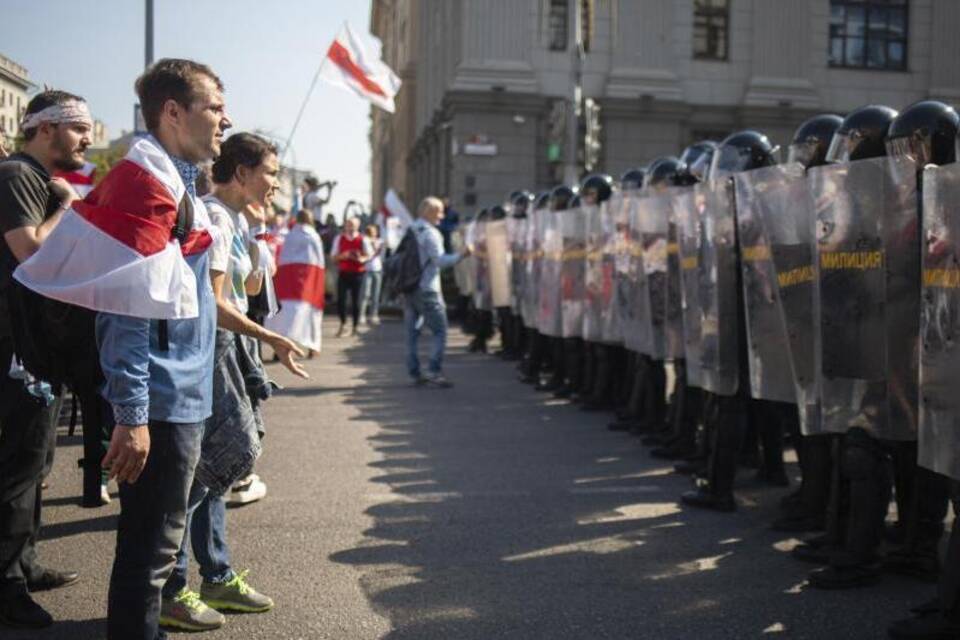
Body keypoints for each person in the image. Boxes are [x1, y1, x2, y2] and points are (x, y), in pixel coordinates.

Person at [159, 131, 307, 632]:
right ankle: (172, 588)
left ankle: (216, 575)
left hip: (227, 348)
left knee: (214, 474)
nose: (275, 184)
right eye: (269, 173)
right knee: (205, 474)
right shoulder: (215, 218)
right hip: (213, 351)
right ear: (240, 173)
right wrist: (273, 337)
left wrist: (259, 235)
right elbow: (217, 307)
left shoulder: (233, 220)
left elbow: (248, 288)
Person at [0, 89, 88, 629]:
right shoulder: (16, 176)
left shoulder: (34, 180)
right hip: (15, 348)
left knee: (36, 463)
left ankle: (25, 563)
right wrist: (68, 212)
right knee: (16, 469)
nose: (86, 139)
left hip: (38, 347)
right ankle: (7, 585)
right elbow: (31, 253)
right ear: (46, 128)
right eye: (77, 128)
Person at [405, 196, 470, 387]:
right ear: (430, 212)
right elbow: (440, 261)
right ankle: (433, 371)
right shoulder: (431, 233)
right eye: (440, 211)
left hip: (410, 287)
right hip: (427, 289)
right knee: (440, 330)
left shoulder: (411, 229)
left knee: (412, 333)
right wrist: (462, 255)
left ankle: (414, 371)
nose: (442, 215)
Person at [267, 208, 327, 355]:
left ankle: (281, 346)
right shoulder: (314, 236)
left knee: (286, 313)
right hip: (308, 280)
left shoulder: (290, 236)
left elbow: (282, 258)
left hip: (288, 280)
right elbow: (319, 262)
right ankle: (312, 346)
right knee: (309, 311)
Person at [331, 216, 370, 337]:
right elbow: (333, 257)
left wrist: (361, 259)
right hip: (344, 272)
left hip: (358, 273)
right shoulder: (339, 238)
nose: (350, 226)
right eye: (348, 224)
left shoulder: (363, 239)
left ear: (358, 225)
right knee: (341, 300)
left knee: (356, 301)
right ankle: (343, 324)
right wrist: (344, 256)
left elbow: (368, 255)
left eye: (353, 224)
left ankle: (355, 326)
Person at [359, 223, 384, 325]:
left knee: (376, 294)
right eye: (370, 232)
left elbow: (383, 252)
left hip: (378, 269)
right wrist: (374, 246)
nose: (373, 233)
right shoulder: (365, 240)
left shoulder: (380, 241)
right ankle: (362, 315)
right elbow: (369, 253)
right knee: (365, 293)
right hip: (367, 269)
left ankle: (374, 315)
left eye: (374, 231)